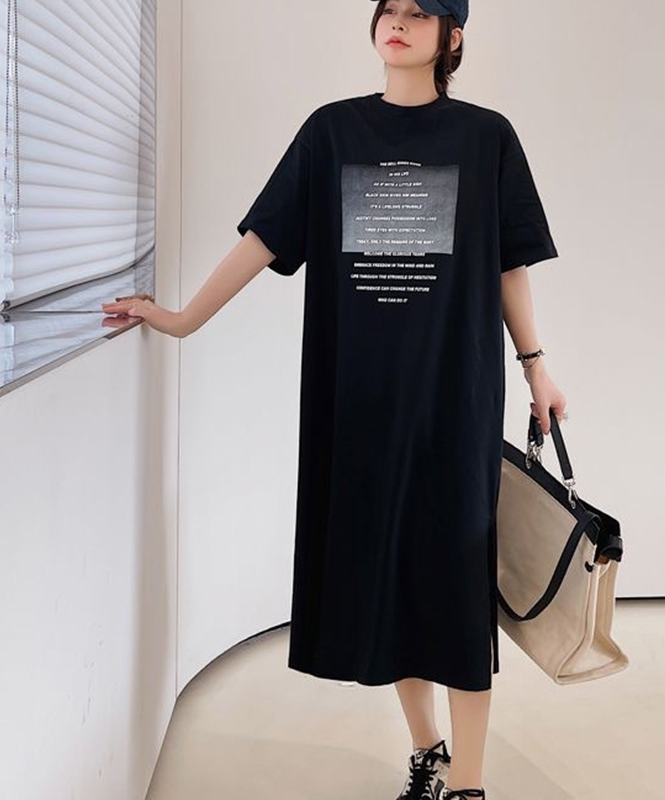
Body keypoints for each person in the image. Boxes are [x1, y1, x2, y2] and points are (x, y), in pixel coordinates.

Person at [101, 1, 568, 798]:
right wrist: (180, 319)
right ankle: (428, 751)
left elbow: (507, 264)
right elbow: (264, 240)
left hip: (454, 401)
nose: (399, 21)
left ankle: (469, 786)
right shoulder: (332, 132)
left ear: (452, 36)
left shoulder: (486, 137)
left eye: (421, 13)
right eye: (389, 8)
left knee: (454, 587)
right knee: (386, 576)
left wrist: (536, 369)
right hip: (359, 401)